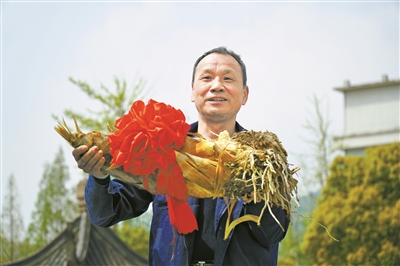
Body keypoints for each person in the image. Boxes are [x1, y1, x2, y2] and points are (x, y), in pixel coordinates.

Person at [72, 47, 290, 266]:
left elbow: (273, 233)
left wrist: (256, 198)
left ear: (244, 94)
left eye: (228, 78)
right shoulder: (161, 149)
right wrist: (100, 177)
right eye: (207, 78)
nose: (216, 86)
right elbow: (105, 215)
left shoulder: (263, 159)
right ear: (193, 91)